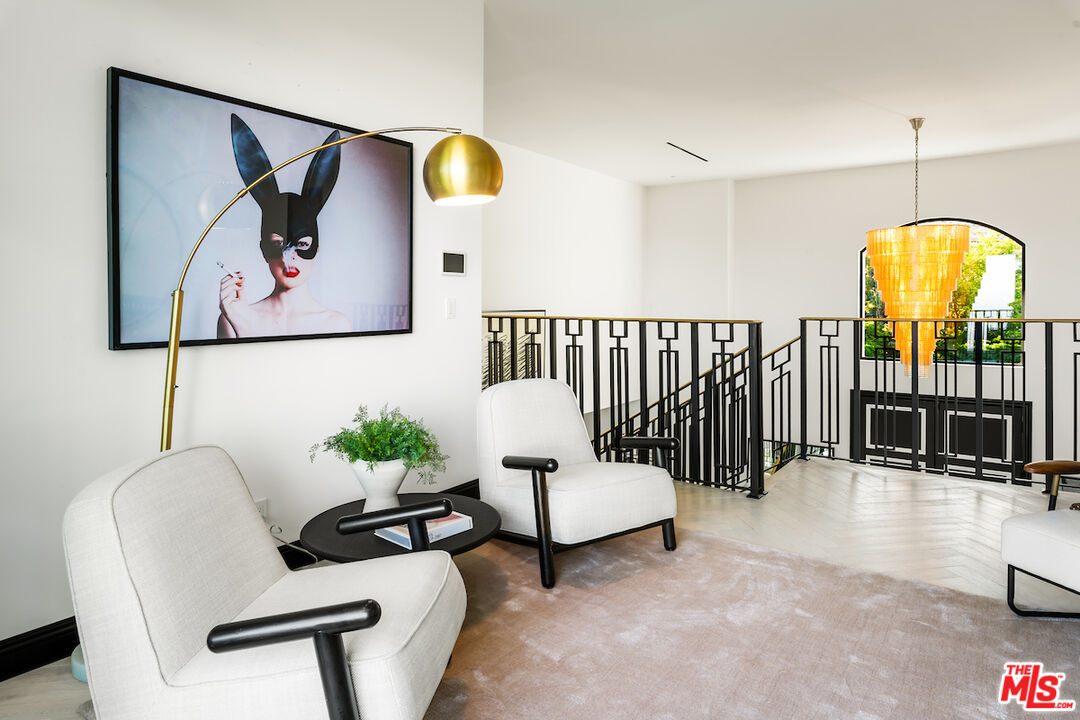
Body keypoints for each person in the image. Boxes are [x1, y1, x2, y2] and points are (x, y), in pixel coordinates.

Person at [217, 113, 351, 339]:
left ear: (316, 248)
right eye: (278, 244)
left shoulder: (335, 324)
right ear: (263, 250)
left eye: (302, 244)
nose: (290, 257)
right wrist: (244, 326)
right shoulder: (234, 318)